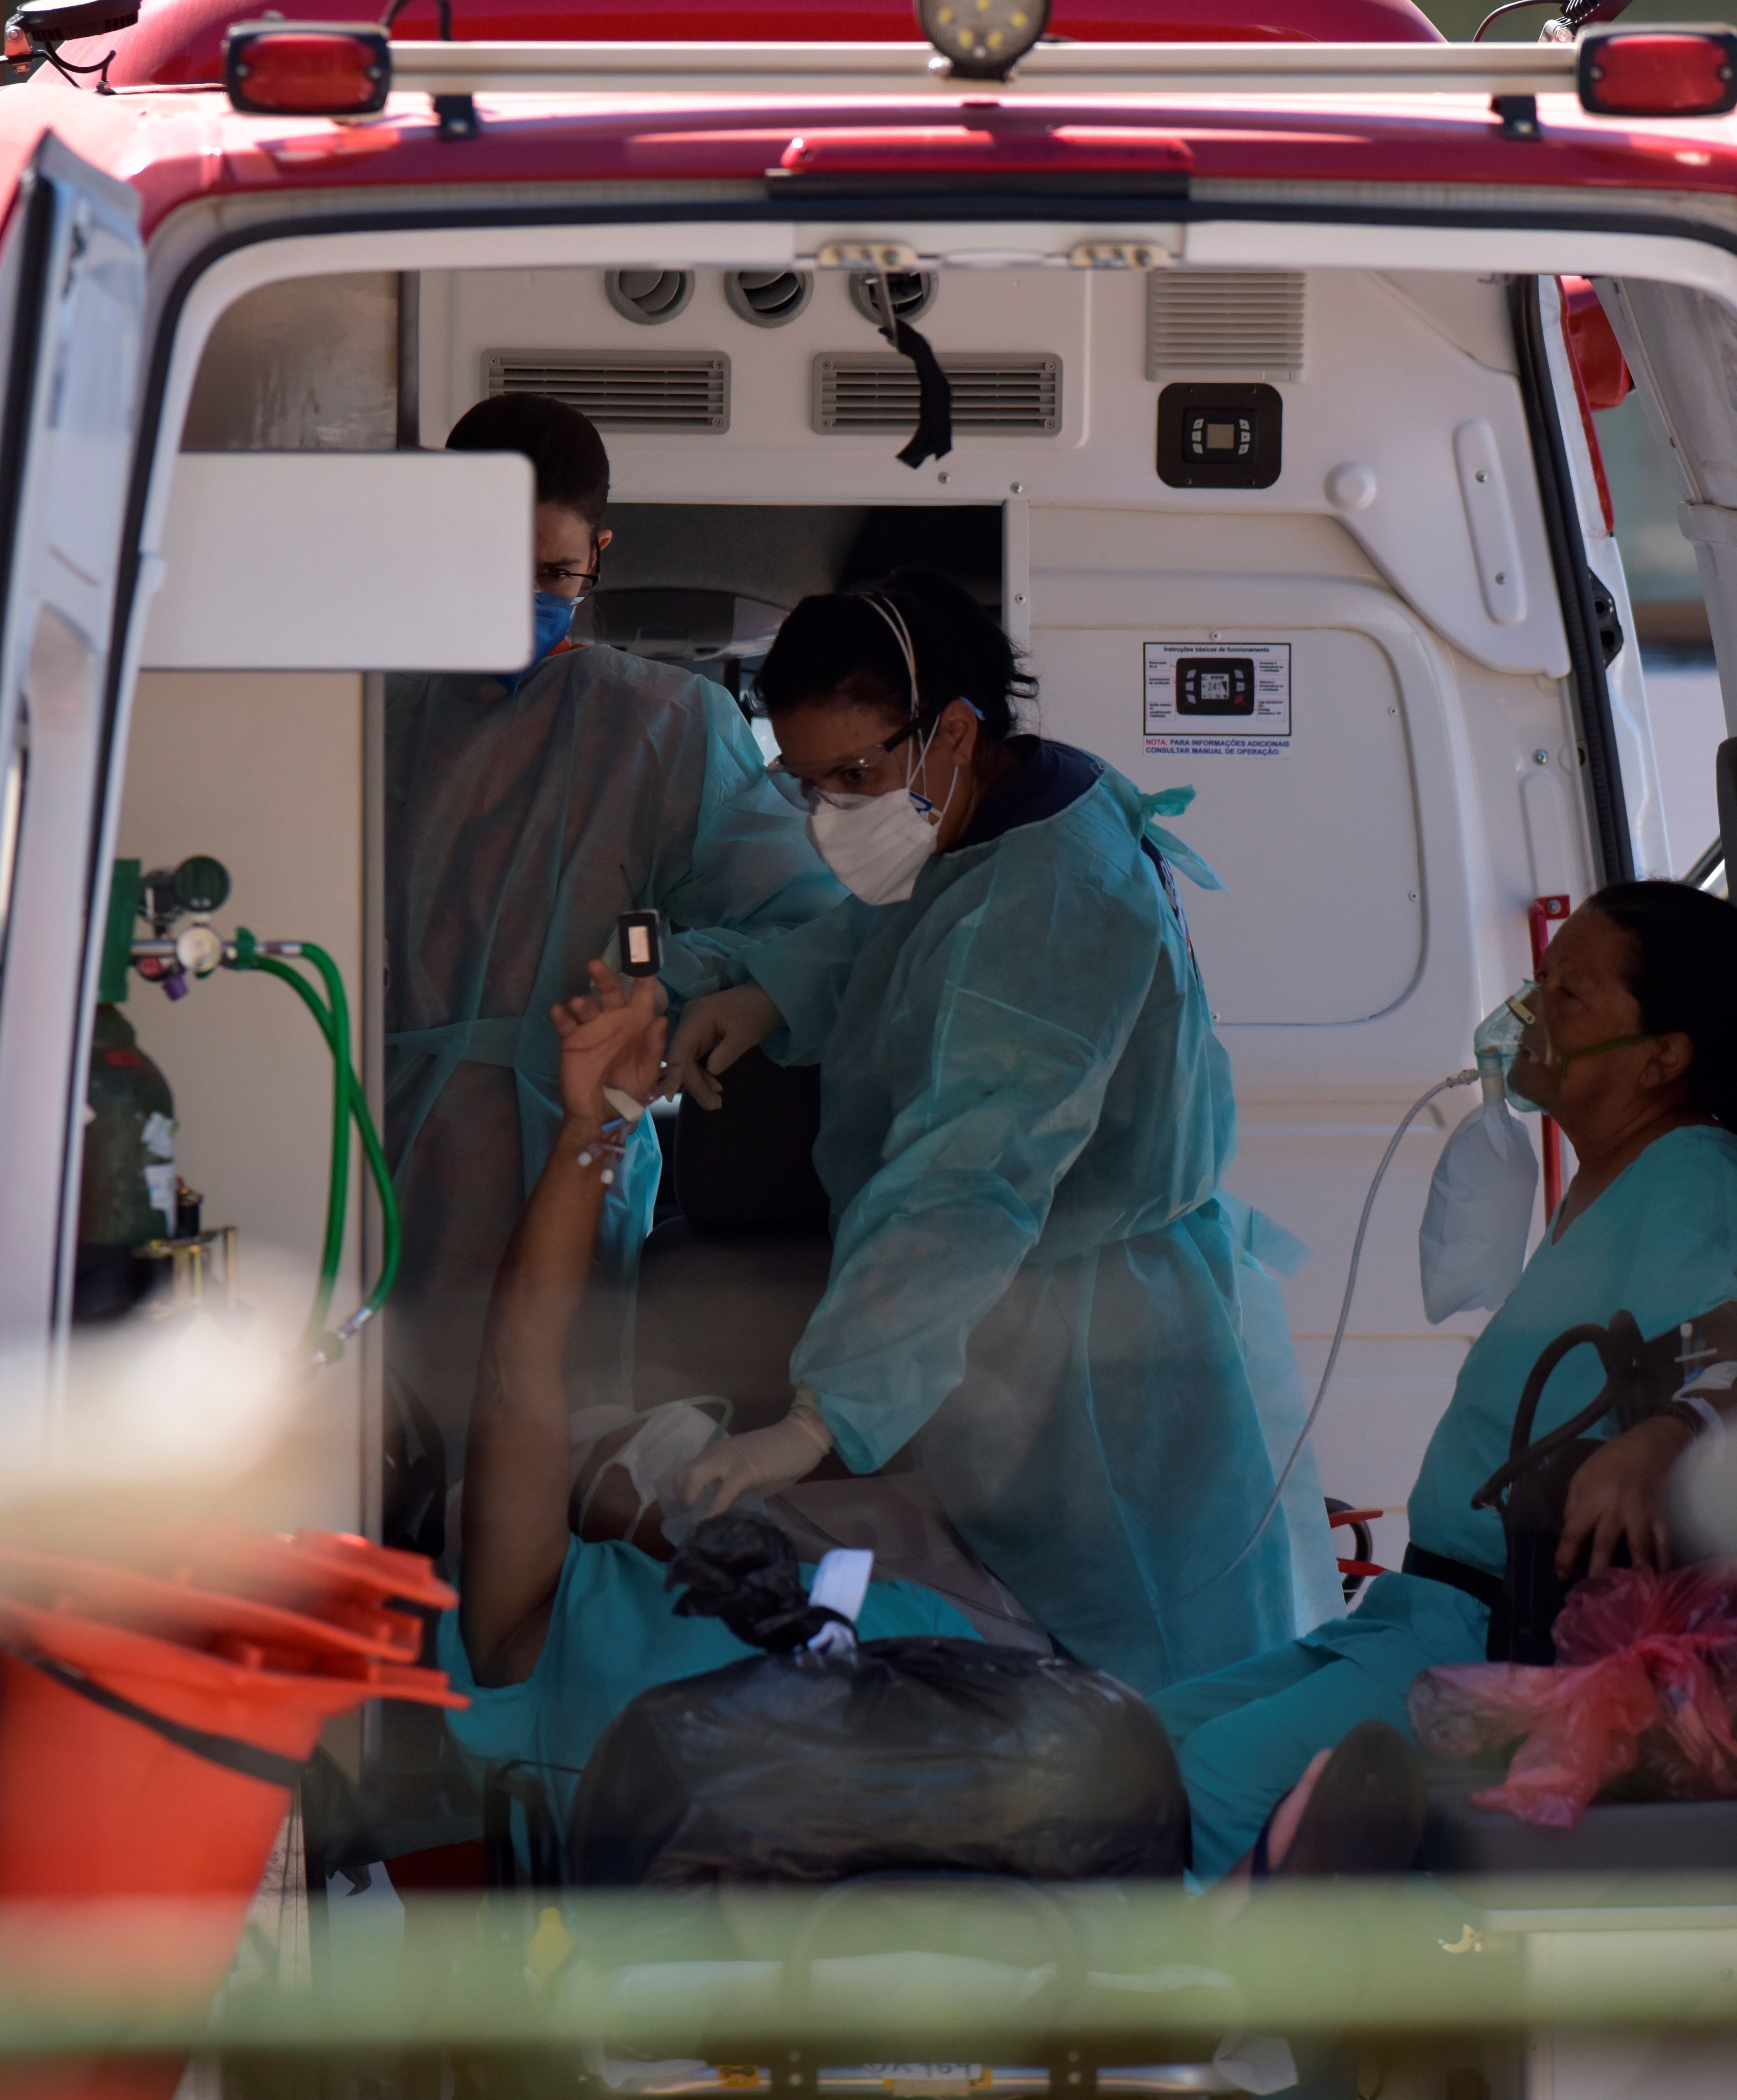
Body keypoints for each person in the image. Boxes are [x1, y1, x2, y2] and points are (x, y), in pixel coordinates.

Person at [663, 571, 1336, 1696]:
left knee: (1152, 1685)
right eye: (808, 784)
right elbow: (899, 934)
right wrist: (771, 990)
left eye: (857, 776)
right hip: (1037, 1327)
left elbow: (959, 1183)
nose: (834, 813)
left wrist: (822, 1414)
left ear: (955, 729)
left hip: (1107, 1366)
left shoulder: (1053, 901)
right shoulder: (1004, 805)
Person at [1149, 882, 1737, 1881]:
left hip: (1494, 1632)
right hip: (1425, 1605)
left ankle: (1184, 2010)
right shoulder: (1612, 1174)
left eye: (1567, 997)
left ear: (1662, 1056)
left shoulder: (1696, 1177)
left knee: (1215, 1775)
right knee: (1140, 1738)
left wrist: (1659, 1436)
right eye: (1538, 983)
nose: (1529, 1015)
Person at [380, 392, 842, 1552]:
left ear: (599, 555)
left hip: (566, 1151)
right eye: (492, 568)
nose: (523, 603)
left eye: (552, 573)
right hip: (369, 1144)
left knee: (532, 1466)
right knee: (370, 1463)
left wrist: (662, 976)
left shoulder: (660, 725)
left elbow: (808, 923)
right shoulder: (354, 710)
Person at [445, 960, 976, 1818]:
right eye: (631, 1447)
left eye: (649, 1444)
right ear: (570, 1497)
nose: (679, 1453)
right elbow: (520, 1371)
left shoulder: (902, 1613)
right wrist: (594, 1123)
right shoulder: (538, 1624)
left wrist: (600, 1121)